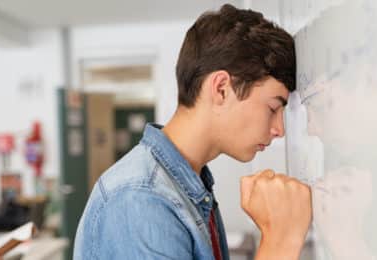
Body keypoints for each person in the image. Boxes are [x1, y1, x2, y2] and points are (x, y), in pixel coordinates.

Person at [74, 4, 312, 260]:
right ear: (221, 89)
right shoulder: (142, 199)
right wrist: (279, 240)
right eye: (273, 107)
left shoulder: (189, 183)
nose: (279, 130)